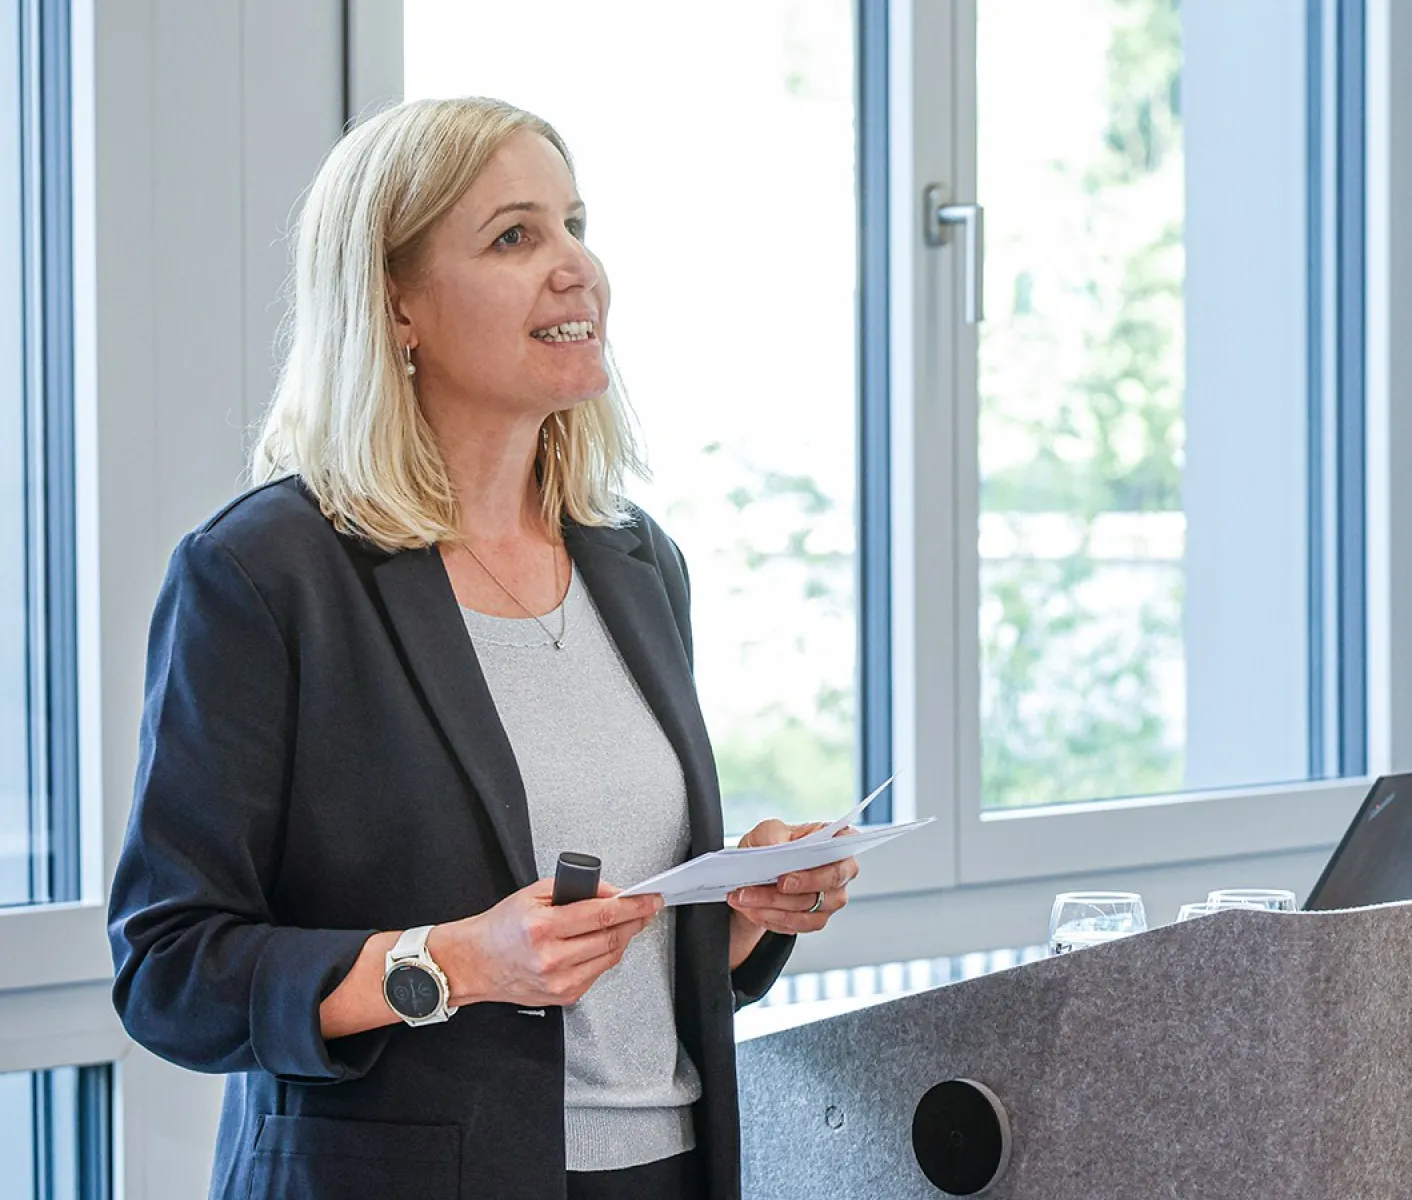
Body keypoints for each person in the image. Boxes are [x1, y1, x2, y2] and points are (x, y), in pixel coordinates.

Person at [107, 95, 860, 1200]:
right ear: (396, 306)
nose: (576, 268)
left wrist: (741, 918)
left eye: (575, 224)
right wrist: (445, 965)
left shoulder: (634, 560)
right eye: (515, 236)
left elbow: (623, 967)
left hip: (664, 1170)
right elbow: (169, 972)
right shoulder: (265, 574)